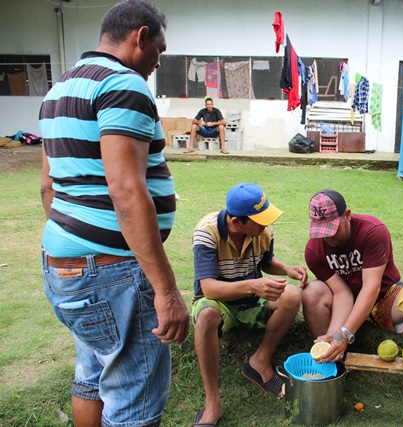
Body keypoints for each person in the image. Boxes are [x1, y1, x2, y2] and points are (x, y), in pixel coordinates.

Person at [38, 1, 190, 426]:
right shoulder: (124, 85)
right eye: (159, 50)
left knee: (92, 373)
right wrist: (166, 291)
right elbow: (126, 190)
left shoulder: (60, 89)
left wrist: (76, 245)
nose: (156, 63)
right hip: (112, 274)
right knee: (134, 400)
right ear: (140, 36)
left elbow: (49, 187)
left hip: (63, 267)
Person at [302, 189, 403, 411]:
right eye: (322, 231)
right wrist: (335, 334)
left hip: (383, 298)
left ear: (347, 215)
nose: (328, 237)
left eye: (333, 229)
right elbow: (341, 294)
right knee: (312, 291)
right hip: (348, 302)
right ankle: (333, 365)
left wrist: (346, 333)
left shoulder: (372, 231)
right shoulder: (313, 249)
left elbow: (371, 287)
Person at [191, 183, 306, 426]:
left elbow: (265, 262)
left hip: (251, 301)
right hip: (219, 302)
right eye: (259, 219)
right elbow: (208, 288)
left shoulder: (262, 231)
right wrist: (253, 286)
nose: (265, 224)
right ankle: (212, 403)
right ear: (236, 222)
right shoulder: (207, 232)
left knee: (292, 296)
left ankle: (259, 361)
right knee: (206, 316)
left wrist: (286, 269)